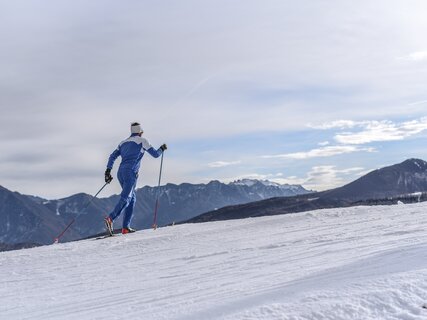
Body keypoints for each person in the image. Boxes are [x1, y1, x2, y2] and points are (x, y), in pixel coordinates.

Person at [104, 122, 167, 235]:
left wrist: (108, 171)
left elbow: (112, 156)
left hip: (121, 173)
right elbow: (156, 155)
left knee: (132, 198)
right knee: (126, 198)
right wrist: (162, 149)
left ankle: (125, 228)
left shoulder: (122, 143)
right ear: (140, 132)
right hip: (131, 173)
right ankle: (110, 219)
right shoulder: (142, 141)